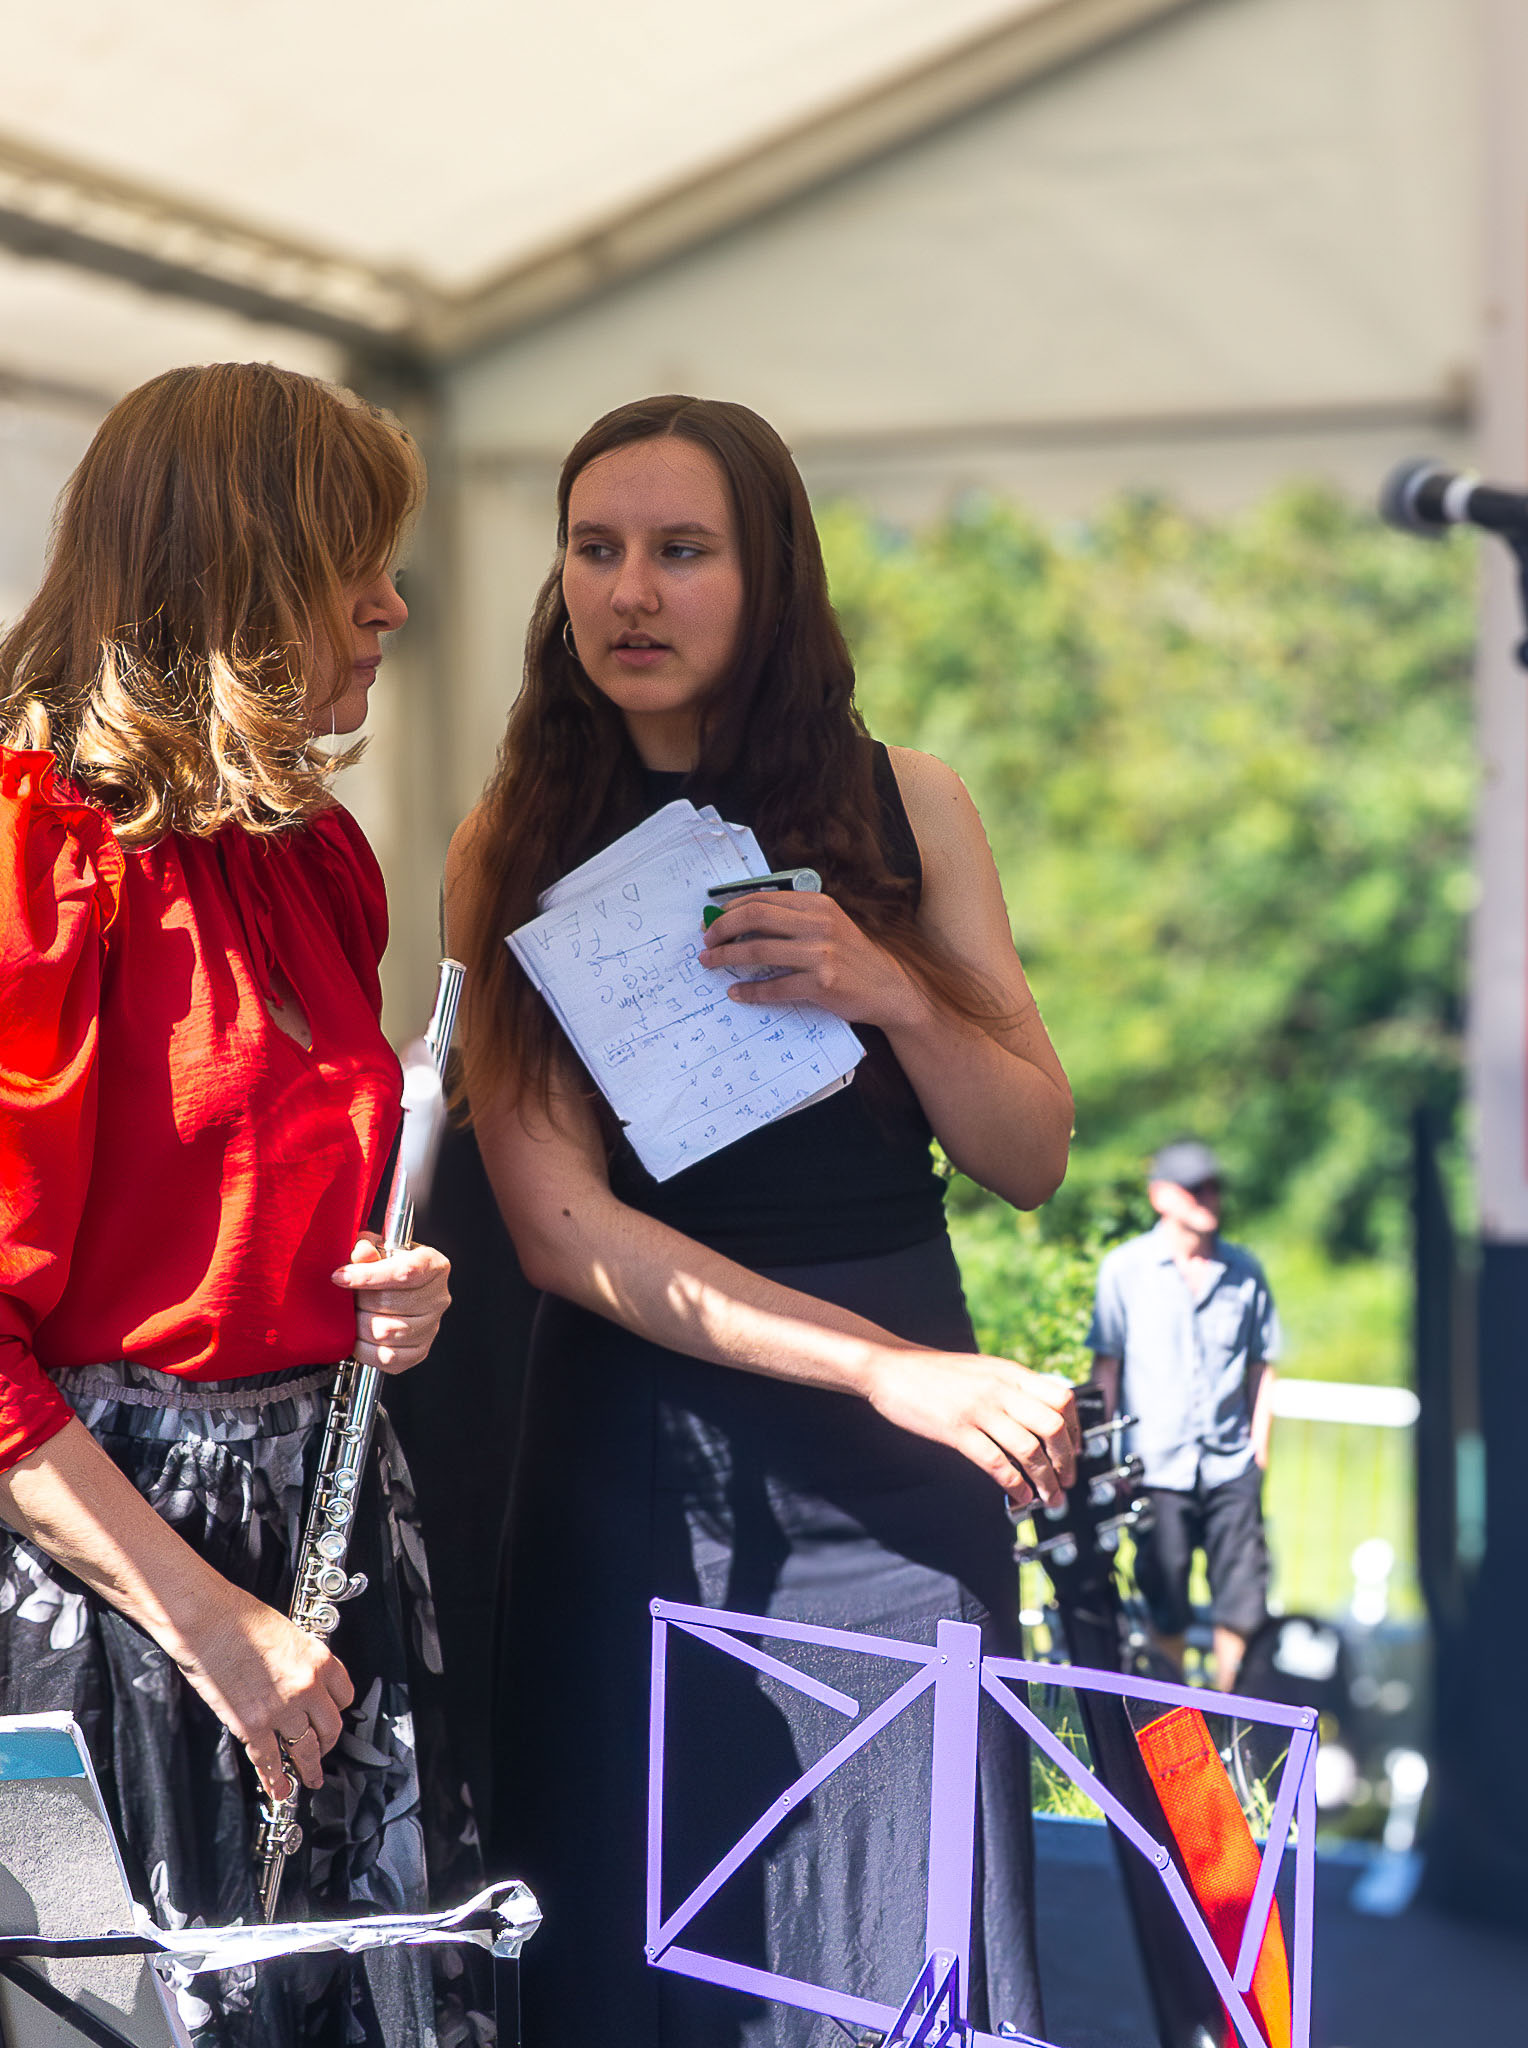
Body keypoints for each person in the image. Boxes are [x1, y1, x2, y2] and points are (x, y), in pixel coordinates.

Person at [0, 362, 480, 2048]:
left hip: (306, 1538)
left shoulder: (310, 855)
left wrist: (380, 1294)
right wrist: (211, 1624)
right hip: (103, 1577)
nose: (392, 606)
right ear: (244, 574)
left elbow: (263, 1210)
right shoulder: (24, 844)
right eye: (355, 562)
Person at [446, 395, 1079, 2046]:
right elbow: (555, 1227)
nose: (629, 592)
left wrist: (897, 991)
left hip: (905, 1478)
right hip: (645, 1462)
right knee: (639, 1955)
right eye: (595, 549)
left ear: (771, 575)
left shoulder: (911, 802)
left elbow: (1028, 1152)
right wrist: (882, 1366)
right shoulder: (508, 840)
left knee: (910, 1947)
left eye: (681, 550)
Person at [1088, 1139, 1280, 1692]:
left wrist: (1258, 1451)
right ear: (1161, 1196)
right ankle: (1175, 1723)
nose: (1209, 1197)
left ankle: (1231, 1719)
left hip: (1230, 1466)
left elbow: (1262, 1367)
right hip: (1156, 1468)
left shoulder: (1245, 1271)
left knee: (1242, 1603)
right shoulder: (1125, 1269)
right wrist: (1104, 1460)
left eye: (1214, 1186)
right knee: (1164, 1601)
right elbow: (1107, 1370)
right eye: (1196, 1188)